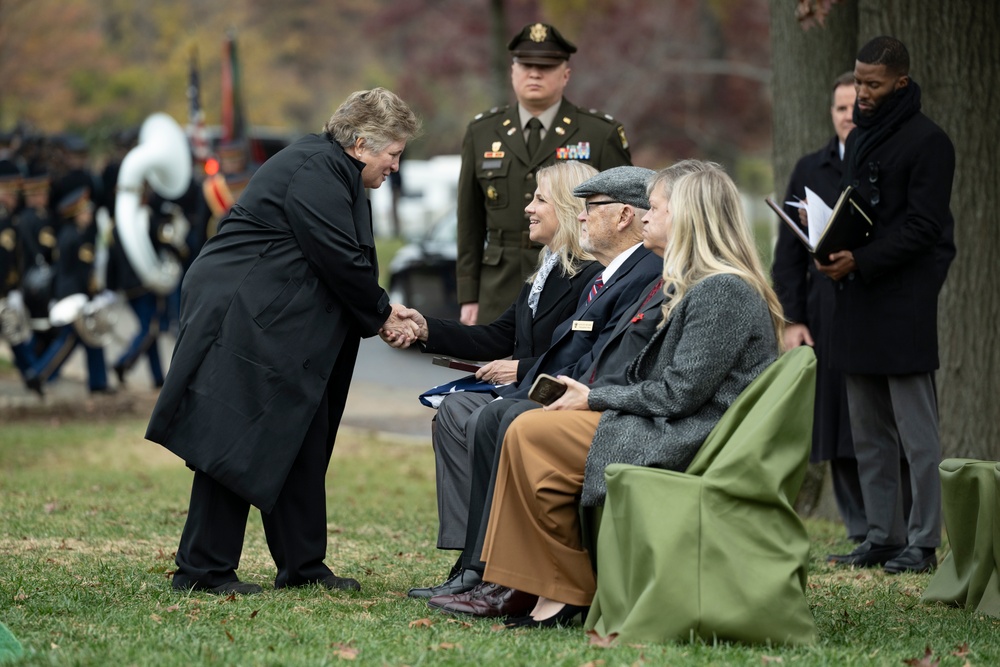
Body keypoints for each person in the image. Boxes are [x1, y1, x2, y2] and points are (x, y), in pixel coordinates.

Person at [478, 167, 784, 628]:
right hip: (669, 422)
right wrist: (596, 397)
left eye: (656, 210)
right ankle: (551, 587)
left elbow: (679, 394)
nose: (644, 220)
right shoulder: (702, 284)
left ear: (687, 218)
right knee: (528, 430)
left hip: (688, 436)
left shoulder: (723, 291)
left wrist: (596, 399)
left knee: (531, 433)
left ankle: (562, 590)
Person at [145, 88, 421, 595]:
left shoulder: (336, 172)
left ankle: (303, 567)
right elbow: (337, 255)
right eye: (393, 153)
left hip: (281, 323)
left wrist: (381, 308)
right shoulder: (313, 168)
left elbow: (344, 260)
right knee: (233, 436)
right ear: (361, 144)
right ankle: (202, 570)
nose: (396, 166)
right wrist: (383, 313)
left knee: (301, 437)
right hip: (243, 318)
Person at [427, 160, 719, 620]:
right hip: (624, 409)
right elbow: (611, 360)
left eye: (656, 209)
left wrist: (579, 395)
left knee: (508, 420)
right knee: (489, 415)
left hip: (654, 430)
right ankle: (498, 573)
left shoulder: (684, 282)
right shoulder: (633, 275)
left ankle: (506, 576)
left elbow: (667, 388)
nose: (647, 218)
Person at [386, 160, 601, 581]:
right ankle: (470, 553)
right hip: (526, 393)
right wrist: (425, 327)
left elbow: (585, 354)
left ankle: (484, 561)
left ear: (565, 206)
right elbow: (494, 337)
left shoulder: (591, 276)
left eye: (539, 198)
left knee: (477, 414)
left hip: (553, 397)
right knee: (452, 412)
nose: (528, 208)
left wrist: (522, 369)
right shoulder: (545, 272)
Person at [822, 36, 955, 575]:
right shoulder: (861, 137)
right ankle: (882, 535)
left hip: (902, 304)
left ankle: (923, 542)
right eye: (859, 82)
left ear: (901, 81)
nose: (863, 93)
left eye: (874, 84)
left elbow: (926, 228)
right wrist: (829, 246)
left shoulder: (930, 143)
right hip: (857, 301)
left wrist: (862, 259)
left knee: (916, 436)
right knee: (869, 433)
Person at [456, 22, 632, 326]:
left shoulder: (600, 133)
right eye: (525, 65)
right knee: (492, 365)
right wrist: (468, 294)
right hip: (499, 282)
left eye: (546, 66)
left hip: (575, 277)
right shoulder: (482, 131)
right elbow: (469, 219)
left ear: (565, 75)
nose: (534, 73)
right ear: (512, 71)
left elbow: (624, 216)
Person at [771, 71, 868, 541]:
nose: (848, 116)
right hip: (823, 315)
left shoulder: (882, 165)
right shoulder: (811, 169)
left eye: (856, 107)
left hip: (873, 309)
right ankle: (857, 528)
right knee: (835, 426)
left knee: (872, 423)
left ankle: (891, 527)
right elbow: (787, 257)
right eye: (840, 108)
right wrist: (792, 320)